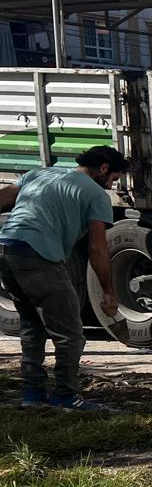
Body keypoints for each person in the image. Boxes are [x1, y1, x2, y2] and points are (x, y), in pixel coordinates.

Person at [0, 146, 123, 410]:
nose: (112, 186)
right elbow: (97, 248)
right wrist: (109, 291)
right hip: (39, 257)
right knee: (70, 334)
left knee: (32, 326)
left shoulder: (39, 174)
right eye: (114, 179)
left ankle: (33, 394)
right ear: (103, 168)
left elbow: (3, 197)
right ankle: (65, 396)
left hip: (7, 250)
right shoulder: (95, 194)